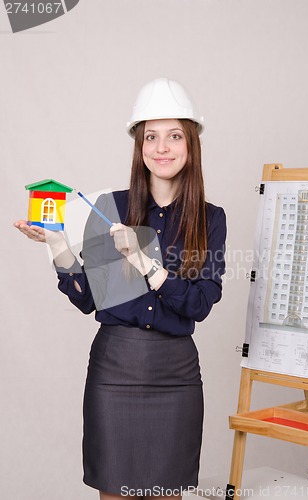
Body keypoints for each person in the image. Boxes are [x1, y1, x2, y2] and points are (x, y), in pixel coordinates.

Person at [14, 77, 227, 500]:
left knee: (167, 494)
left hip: (176, 375)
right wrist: (59, 246)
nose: (162, 147)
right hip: (115, 372)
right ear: (139, 144)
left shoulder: (210, 218)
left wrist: (144, 262)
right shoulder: (109, 207)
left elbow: (200, 303)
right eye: (151, 136)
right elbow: (89, 298)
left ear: (191, 145)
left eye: (174, 136)